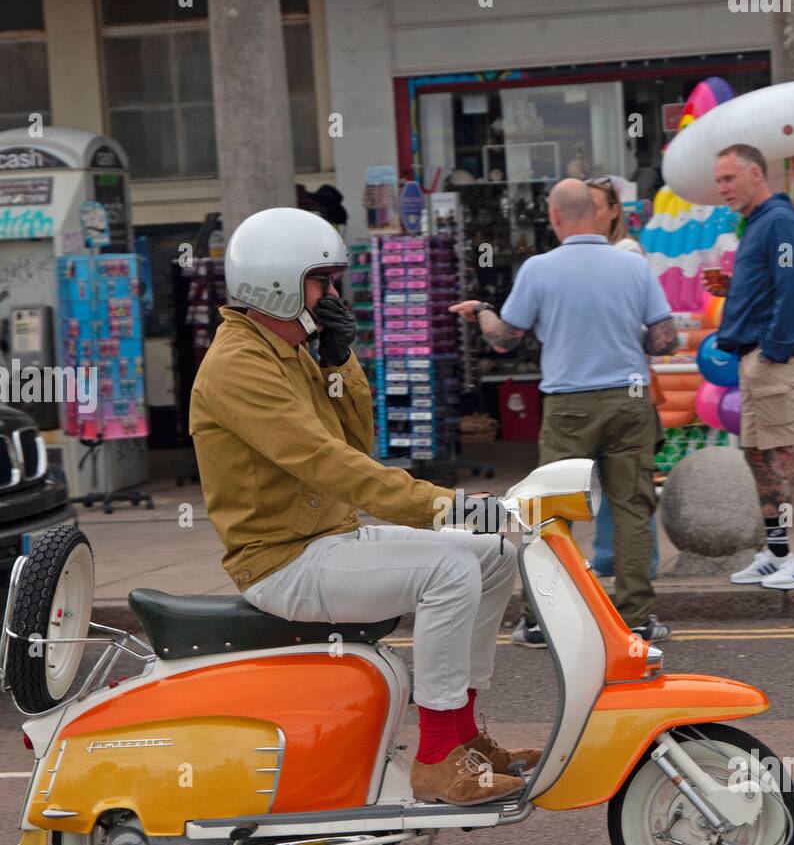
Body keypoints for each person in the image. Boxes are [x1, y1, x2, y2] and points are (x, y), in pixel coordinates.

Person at [189, 207, 540, 808]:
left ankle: (464, 739)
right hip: (282, 561)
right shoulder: (238, 366)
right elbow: (332, 465)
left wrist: (339, 359)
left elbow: (357, 443)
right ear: (275, 281)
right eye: (320, 281)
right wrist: (451, 508)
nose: (332, 296)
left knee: (491, 555)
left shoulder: (290, 349)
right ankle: (434, 757)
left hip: (330, 538)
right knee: (450, 568)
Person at [450, 178, 675, 647]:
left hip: (568, 403)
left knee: (552, 511)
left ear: (554, 217)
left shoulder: (538, 269)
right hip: (628, 400)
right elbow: (664, 340)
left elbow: (504, 339)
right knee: (632, 507)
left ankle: (540, 620)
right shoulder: (633, 267)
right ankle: (635, 619)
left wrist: (481, 311)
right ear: (595, 214)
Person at [705, 144, 794, 589]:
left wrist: (774, 351)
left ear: (756, 174)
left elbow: (793, 287)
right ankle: (777, 552)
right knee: (758, 456)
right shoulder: (759, 223)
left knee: (789, 455)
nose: (722, 188)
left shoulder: (777, 221)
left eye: (728, 179)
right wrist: (734, 288)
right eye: (719, 180)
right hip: (754, 356)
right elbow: (771, 285)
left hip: (770, 358)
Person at [586, 175, 668, 582]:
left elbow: (648, 327)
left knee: (631, 483)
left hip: (626, 384)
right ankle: (606, 558)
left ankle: (641, 562)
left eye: (596, 206)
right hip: (595, 382)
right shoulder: (584, 254)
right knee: (602, 478)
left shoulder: (627, 253)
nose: (587, 214)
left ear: (615, 210)